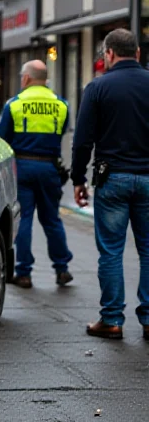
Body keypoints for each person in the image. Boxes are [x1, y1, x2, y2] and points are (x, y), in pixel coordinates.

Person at [71, 28, 149, 341]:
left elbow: (81, 141)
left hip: (112, 178)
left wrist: (78, 179)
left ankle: (112, 319)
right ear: (139, 54)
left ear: (109, 55)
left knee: (112, 252)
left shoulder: (98, 87)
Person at [0, 60, 73, 289]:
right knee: (52, 220)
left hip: (22, 168)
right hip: (49, 167)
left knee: (25, 220)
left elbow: (3, 140)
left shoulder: (15, 104)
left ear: (27, 78)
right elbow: (60, 134)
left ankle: (23, 273)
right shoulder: (62, 105)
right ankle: (62, 269)